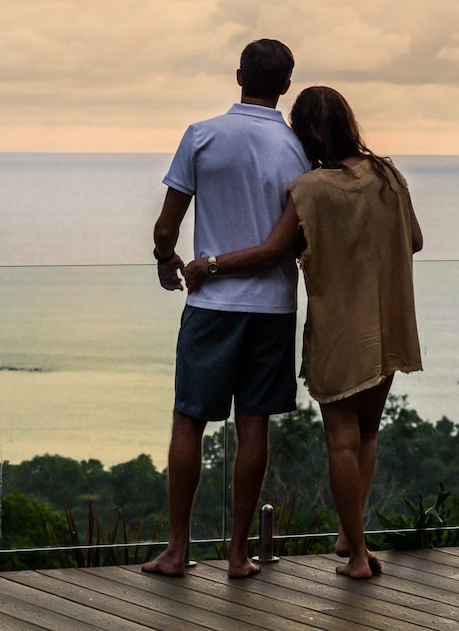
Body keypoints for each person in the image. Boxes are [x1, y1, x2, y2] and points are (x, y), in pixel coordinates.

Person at [183, 85, 423, 579]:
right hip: (392, 321)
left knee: (340, 441)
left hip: (341, 329)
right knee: (368, 431)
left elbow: (272, 251)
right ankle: (351, 534)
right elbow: (414, 240)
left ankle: (357, 557)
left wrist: (208, 264)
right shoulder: (389, 175)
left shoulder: (311, 189)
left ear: (310, 132)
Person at [144, 39, 310, 579]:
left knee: (190, 417)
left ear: (238, 74)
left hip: (212, 303)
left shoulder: (203, 134)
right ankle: (239, 553)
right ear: (286, 85)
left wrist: (170, 259)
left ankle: (176, 549)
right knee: (253, 422)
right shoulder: (296, 149)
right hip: (273, 306)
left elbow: (167, 225)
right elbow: (296, 238)